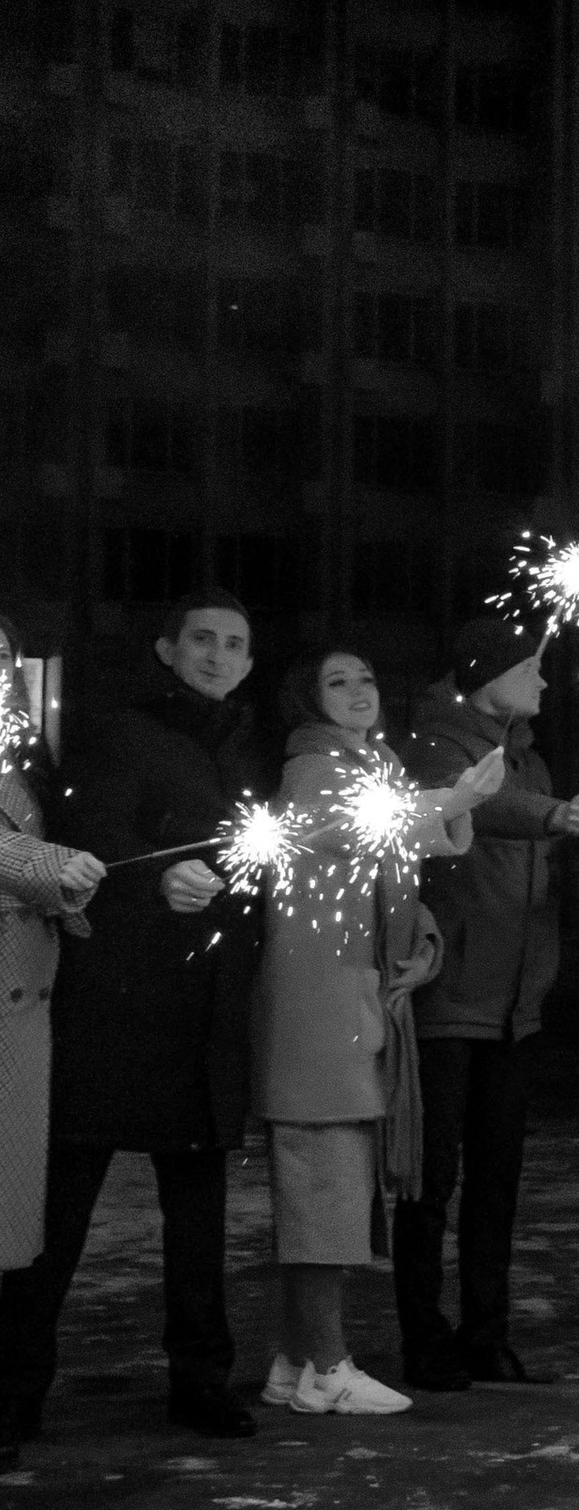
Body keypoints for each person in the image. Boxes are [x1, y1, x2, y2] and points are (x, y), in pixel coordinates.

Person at [0, 593, 268, 1444]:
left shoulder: (246, 746)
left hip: (205, 1010)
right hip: (116, 1007)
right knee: (59, 1215)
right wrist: (154, 883)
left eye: (234, 644)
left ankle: (200, 1380)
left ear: (250, 662)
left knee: (198, 1219)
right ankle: (14, 1391)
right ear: (167, 647)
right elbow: (94, 837)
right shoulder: (125, 731)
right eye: (202, 639)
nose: (217, 655)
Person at [250, 648, 488, 1419]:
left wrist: (422, 943)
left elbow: (403, 863)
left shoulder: (374, 763)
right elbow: (353, 833)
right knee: (323, 1186)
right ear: (309, 700)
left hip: (357, 1001)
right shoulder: (312, 770)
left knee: (332, 1184)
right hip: (319, 1009)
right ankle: (326, 1363)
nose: (360, 690)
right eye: (338, 681)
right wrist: (456, 790)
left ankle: (294, 1358)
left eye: (367, 677)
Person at [397, 610, 579, 1389]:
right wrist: (551, 817)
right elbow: (472, 804)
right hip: (453, 997)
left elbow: (542, 860)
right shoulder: (435, 745)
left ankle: (487, 1331)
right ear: (490, 674)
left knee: (499, 1180)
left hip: (517, 1004)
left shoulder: (534, 761)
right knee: (433, 1182)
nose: (545, 679)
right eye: (533, 666)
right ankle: (425, 1336)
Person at [0, 627, 106, 1469]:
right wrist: (50, 867)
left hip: (24, 1016)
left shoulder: (18, 762)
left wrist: (64, 891)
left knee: (12, 1228)